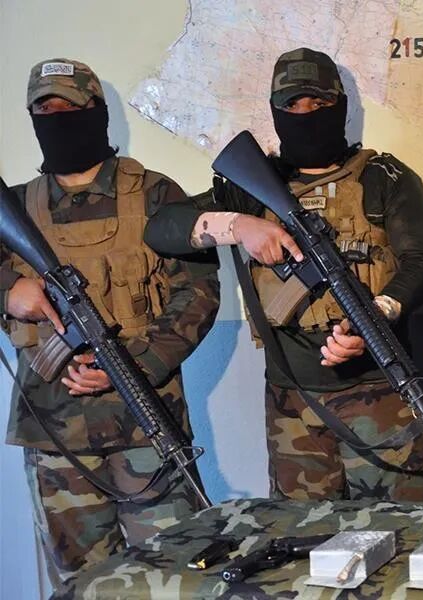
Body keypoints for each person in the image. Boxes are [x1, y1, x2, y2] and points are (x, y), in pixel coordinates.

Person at [144, 48, 423, 502]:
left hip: (380, 396)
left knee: (405, 533)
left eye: (319, 103)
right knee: (303, 539)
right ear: (275, 111)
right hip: (292, 406)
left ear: (341, 105)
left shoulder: (383, 177)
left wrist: (377, 315)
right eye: (293, 105)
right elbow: (161, 228)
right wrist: (238, 225)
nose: (306, 114)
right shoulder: (250, 187)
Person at [0, 59, 220, 587]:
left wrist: (136, 364)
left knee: (177, 580)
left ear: (96, 111)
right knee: (79, 585)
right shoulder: (16, 207)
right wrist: (8, 291)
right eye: (44, 111)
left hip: (146, 425)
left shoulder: (155, 194)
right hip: (56, 440)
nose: (56, 119)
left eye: (68, 108)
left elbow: (199, 293)